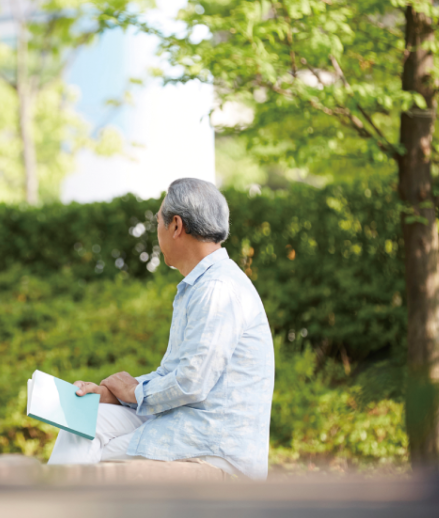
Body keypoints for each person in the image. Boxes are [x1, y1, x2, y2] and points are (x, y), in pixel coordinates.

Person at [47, 178, 275, 480]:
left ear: (176, 226)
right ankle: (48, 511)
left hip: (213, 448)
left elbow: (190, 382)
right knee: (82, 423)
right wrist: (116, 394)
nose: (157, 232)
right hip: (185, 428)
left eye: (158, 222)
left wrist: (134, 391)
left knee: (88, 450)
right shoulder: (202, 285)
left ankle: (50, 513)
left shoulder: (217, 289)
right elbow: (174, 374)